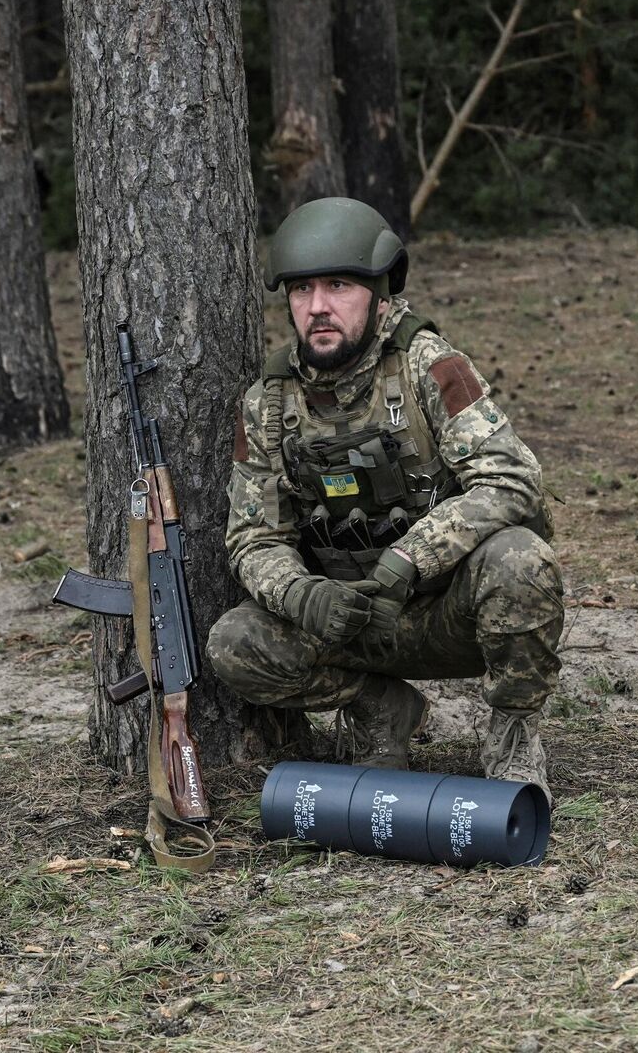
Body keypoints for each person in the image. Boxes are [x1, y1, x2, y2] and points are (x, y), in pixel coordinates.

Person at [207, 197, 565, 798]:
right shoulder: (267, 404)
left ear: (378, 292)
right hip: (352, 624)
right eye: (301, 290)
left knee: (521, 561)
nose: (317, 307)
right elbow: (253, 536)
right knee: (234, 644)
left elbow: (510, 476)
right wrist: (301, 595)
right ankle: (381, 709)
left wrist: (415, 556)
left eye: (339, 285)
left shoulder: (429, 365)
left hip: (447, 613)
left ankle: (513, 735)